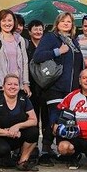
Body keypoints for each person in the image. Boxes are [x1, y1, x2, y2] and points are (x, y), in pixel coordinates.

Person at [32, 12, 84, 166]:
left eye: (69, 21)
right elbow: (37, 56)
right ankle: (46, 151)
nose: (66, 23)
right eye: (63, 21)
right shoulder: (50, 38)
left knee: (67, 120)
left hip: (72, 89)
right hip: (55, 86)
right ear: (57, 22)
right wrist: (57, 52)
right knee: (55, 119)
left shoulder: (74, 41)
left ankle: (64, 150)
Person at [0, 74, 40, 172]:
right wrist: (7, 132)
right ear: (3, 87)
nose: (12, 87)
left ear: (19, 87)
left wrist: (17, 126)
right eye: (9, 84)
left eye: (15, 84)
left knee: (33, 132)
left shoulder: (24, 99)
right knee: (3, 150)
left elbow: (34, 120)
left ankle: (22, 162)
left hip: (14, 135)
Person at [0, 9, 31, 96]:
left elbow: (24, 63)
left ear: (14, 22)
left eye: (10, 20)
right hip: (0, 86)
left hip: (18, 86)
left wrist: (25, 83)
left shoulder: (20, 39)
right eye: (4, 20)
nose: (7, 23)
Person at [26, 19, 50, 161]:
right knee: (32, 117)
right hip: (31, 86)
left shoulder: (46, 46)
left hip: (46, 86)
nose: (38, 31)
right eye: (35, 29)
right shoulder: (26, 46)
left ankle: (46, 148)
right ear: (29, 32)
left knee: (47, 118)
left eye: (40, 29)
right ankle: (32, 147)